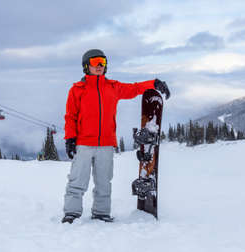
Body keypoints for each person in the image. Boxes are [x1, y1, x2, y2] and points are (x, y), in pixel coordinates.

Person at [62, 49, 170, 223]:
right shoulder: (77, 90)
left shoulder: (113, 87)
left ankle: (101, 213)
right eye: (96, 61)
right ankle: (71, 213)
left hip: (106, 144)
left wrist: (154, 83)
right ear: (86, 66)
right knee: (77, 180)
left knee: (104, 181)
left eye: (102, 62)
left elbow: (134, 88)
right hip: (83, 143)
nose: (99, 66)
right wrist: (70, 139)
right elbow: (70, 116)